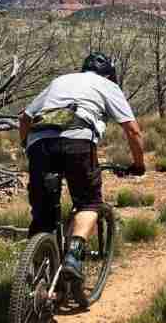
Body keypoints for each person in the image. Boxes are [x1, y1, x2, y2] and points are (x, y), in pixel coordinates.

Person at [19, 52, 146, 280]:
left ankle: (33, 277)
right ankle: (73, 257)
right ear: (109, 74)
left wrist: (27, 148)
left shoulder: (60, 81)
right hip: (77, 142)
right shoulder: (106, 85)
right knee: (89, 202)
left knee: (43, 215)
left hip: (39, 144)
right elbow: (133, 130)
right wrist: (139, 165)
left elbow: (25, 118)